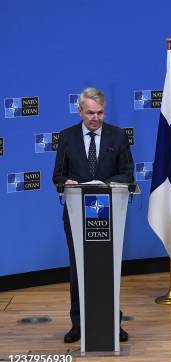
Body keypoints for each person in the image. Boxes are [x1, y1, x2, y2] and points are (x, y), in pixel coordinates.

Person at [52, 87, 134, 343]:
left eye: (100, 113)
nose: (96, 118)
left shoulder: (117, 136)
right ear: (80, 111)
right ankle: (78, 324)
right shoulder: (66, 137)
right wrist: (70, 183)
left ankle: (112, 322)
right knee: (78, 269)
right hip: (76, 214)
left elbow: (127, 174)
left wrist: (103, 184)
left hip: (108, 213)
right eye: (90, 113)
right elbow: (57, 175)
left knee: (107, 267)